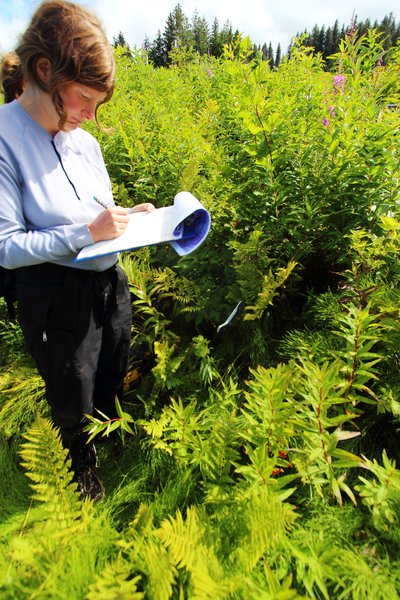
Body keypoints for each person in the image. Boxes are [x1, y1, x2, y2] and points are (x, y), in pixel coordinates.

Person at [0, 0, 154, 501]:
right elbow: (7, 248)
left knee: (111, 366)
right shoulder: (5, 138)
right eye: (85, 98)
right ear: (45, 71)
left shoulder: (84, 143)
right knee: (73, 388)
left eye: (97, 104)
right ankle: (81, 476)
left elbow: (97, 213)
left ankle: (107, 441)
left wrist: (131, 218)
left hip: (108, 283)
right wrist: (86, 234)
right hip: (54, 294)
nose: (90, 115)